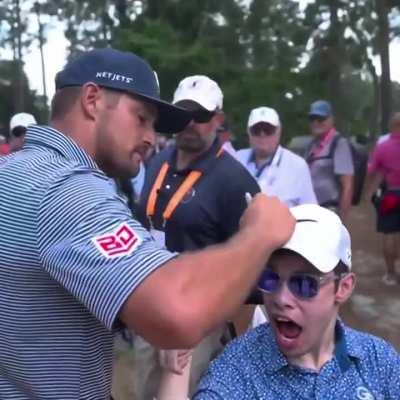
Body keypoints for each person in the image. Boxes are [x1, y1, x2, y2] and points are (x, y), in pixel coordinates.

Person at [0, 48, 294, 399]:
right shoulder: (67, 189)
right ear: (92, 100)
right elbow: (177, 315)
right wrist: (259, 234)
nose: (151, 138)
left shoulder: (14, 171)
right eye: (141, 118)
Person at [157, 204, 400, 400]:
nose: (281, 300)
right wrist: (175, 372)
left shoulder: (378, 360)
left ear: (343, 287)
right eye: (269, 278)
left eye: (304, 284)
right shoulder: (238, 370)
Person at [134, 74, 261, 399]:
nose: (191, 123)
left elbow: (250, 264)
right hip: (149, 305)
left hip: (197, 319)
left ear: (218, 118)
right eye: (184, 113)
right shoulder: (157, 162)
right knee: (145, 389)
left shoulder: (235, 180)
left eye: (202, 115)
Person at [237, 106, 317, 207]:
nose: (262, 134)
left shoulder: (298, 166)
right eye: (256, 130)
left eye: (268, 129)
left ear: (279, 131)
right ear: (248, 132)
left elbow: (310, 210)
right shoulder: (236, 159)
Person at [305, 100, 354, 223]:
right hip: (310, 211)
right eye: (312, 119)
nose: (316, 123)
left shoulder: (339, 144)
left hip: (329, 211)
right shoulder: (311, 145)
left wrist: (341, 222)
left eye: (321, 119)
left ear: (331, 119)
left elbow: (347, 185)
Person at [366, 112, 400, 286]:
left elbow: (372, 170)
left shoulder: (383, 147)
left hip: (391, 195)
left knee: (389, 233)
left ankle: (391, 274)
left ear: (393, 126)